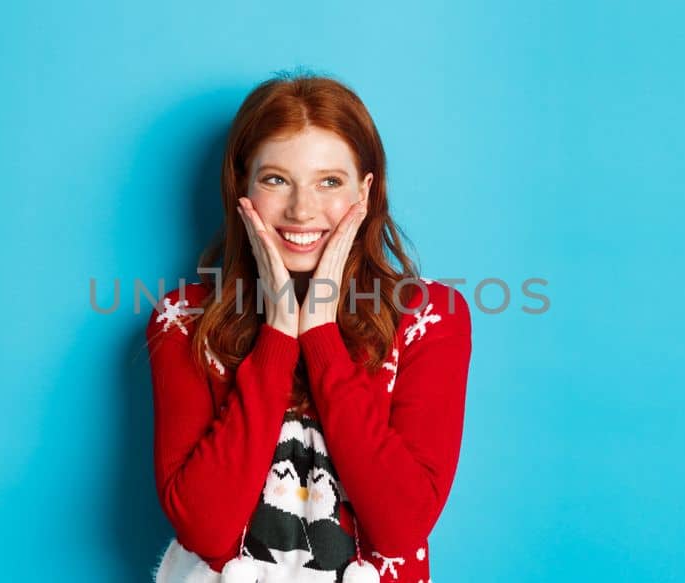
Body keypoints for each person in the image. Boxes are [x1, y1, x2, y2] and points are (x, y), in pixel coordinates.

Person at [147, 71, 472, 583]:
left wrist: (319, 331)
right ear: (242, 186)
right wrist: (278, 334)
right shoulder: (183, 319)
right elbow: (206, 530)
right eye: (276, 179)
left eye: (329, 181)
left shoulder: (429, 318)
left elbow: (400, 528)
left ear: (365, 191)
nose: (302, 209)